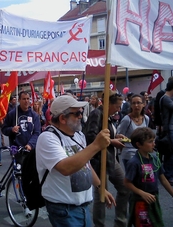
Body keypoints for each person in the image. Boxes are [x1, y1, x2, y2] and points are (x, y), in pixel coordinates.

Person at [36, 95, 116, 227]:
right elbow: (65, 168)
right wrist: (96, 145)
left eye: (81, 112)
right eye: (77, 113)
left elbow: (86, 165)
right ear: (62, 118)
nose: (81, 116)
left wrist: (101, 187)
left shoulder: (79, 135)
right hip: (64, 209)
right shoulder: (48, 138)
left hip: (82, 207)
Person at [84, 90, 129, 227]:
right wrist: (112, 141)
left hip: (111, 158)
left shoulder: (108, 116)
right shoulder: (97, 114)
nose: (118, 109)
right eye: (117, 106)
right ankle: (99, 224)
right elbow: (91, 136)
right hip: (99, 160)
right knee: (101, 196)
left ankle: (120, 221)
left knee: (124, 187)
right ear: (109, 104)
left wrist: (116, 137)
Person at [124, 127, 173, 227]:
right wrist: (142, 193)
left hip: (153, 199)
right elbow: (127, 182)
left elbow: (162, 178)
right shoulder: (134, 162)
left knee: (157, 223)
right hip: (140, 200)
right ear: (139, 145)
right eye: (150, 142)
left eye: (153, 141)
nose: (154, 144)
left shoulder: (155, 158)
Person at [117, 94, 150, 168]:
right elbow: (119, 136)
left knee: (145, 177)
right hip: (129, 153)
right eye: (133, 103)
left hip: (143, 153)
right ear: (131, 105)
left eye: (138, 103)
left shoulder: (146, 118)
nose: (136, 105)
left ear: (143, 104)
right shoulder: (127, 119)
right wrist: (131, 141)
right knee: (133, 178)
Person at [158, 80, 173, 185]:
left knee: (170, 153)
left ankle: (168, 173)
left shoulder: (166, 97)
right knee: (170, 153)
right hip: (169, 129)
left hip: (169, 128)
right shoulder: (166, 99)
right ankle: (168, 174)